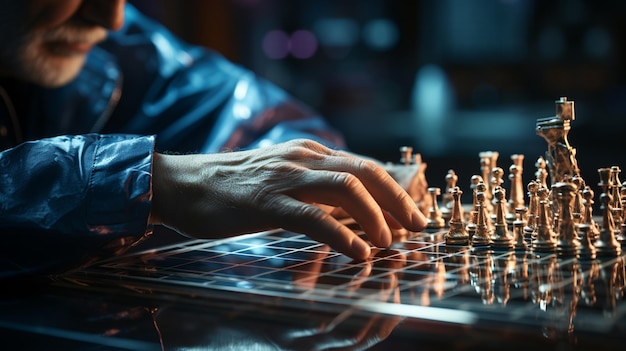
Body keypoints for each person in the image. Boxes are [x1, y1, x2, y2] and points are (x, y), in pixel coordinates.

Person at [0, 0, 427, 280]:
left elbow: (249, 112)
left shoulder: (116, 39)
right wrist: (156, 185)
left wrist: (309, 170)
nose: (109, 18)